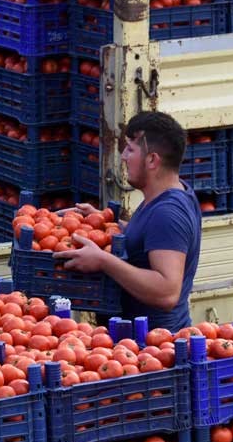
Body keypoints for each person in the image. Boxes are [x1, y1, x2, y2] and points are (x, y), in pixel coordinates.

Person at [58, 111, 202, 331]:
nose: (123, 156)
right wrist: (100, 221)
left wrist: (103, 261)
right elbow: (148, 239)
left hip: (155, 346)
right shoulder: (166, 197)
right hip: (137, 342)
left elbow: (167, 292)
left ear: (152, 159)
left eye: (130, 149)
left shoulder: (167, 213)